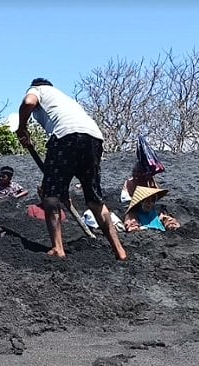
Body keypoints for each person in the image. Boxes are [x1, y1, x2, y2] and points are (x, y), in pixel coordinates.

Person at [15, 77, 127, 260]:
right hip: (93, 138)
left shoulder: (38, 89)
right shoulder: (64, 99)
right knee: (95, 200)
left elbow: (28, 102)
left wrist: (21, 128)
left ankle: (58, 248)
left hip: (66, 137)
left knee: (50, 196)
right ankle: (119, 251)